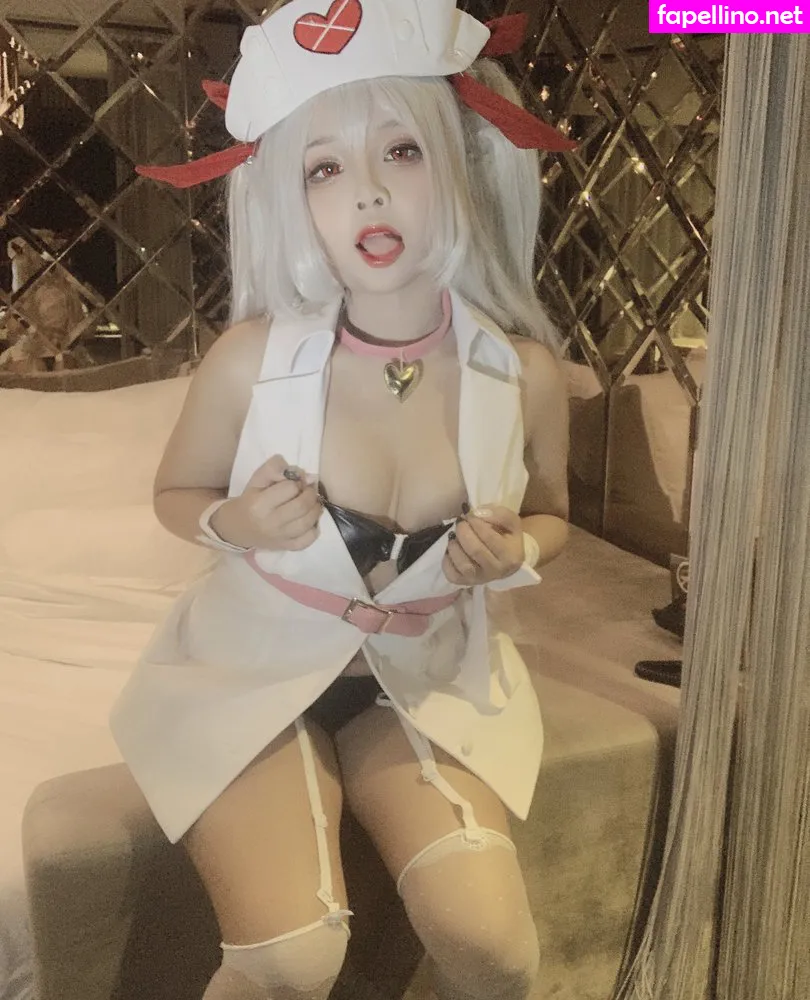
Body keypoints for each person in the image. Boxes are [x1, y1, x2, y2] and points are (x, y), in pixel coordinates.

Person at [111, 2, 574, 998]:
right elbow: (176, 491)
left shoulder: (522, 372)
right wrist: (233, 523)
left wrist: (520, 551)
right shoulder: (250, 360)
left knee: (494, 947)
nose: (366, 191)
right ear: (295, 199)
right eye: (324, 168)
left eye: (401, 150)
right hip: (251, 665)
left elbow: (554, 513)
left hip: (428, 672)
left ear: (458, 162)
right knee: (290, 957)